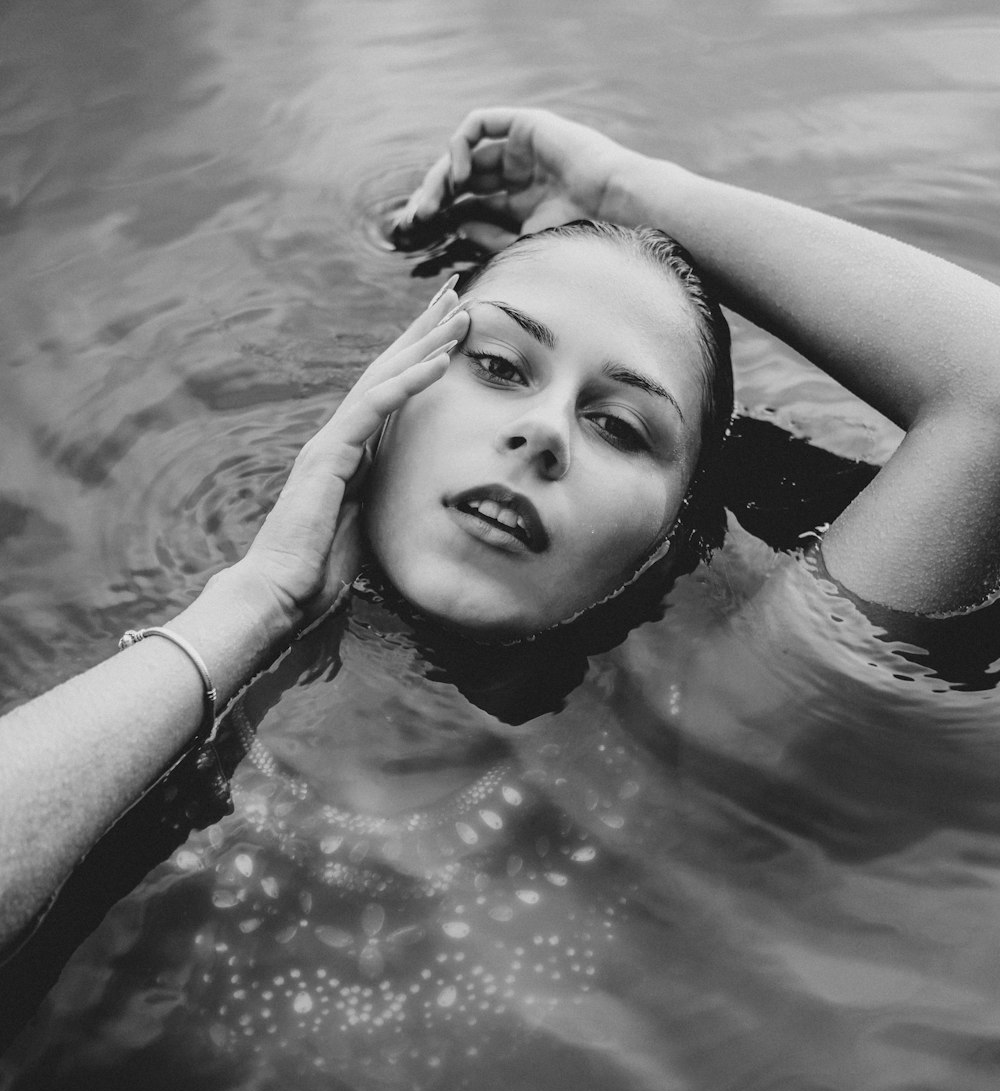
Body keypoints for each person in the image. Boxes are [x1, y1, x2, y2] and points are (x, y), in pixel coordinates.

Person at [3, 104, 1000, 991]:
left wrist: (628, 187)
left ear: (667, 532)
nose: (546, 433)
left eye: (620, 426)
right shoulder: (147, 692)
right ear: (386, 397)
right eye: (495, 364)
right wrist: (254, 601)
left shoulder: (668, 773)